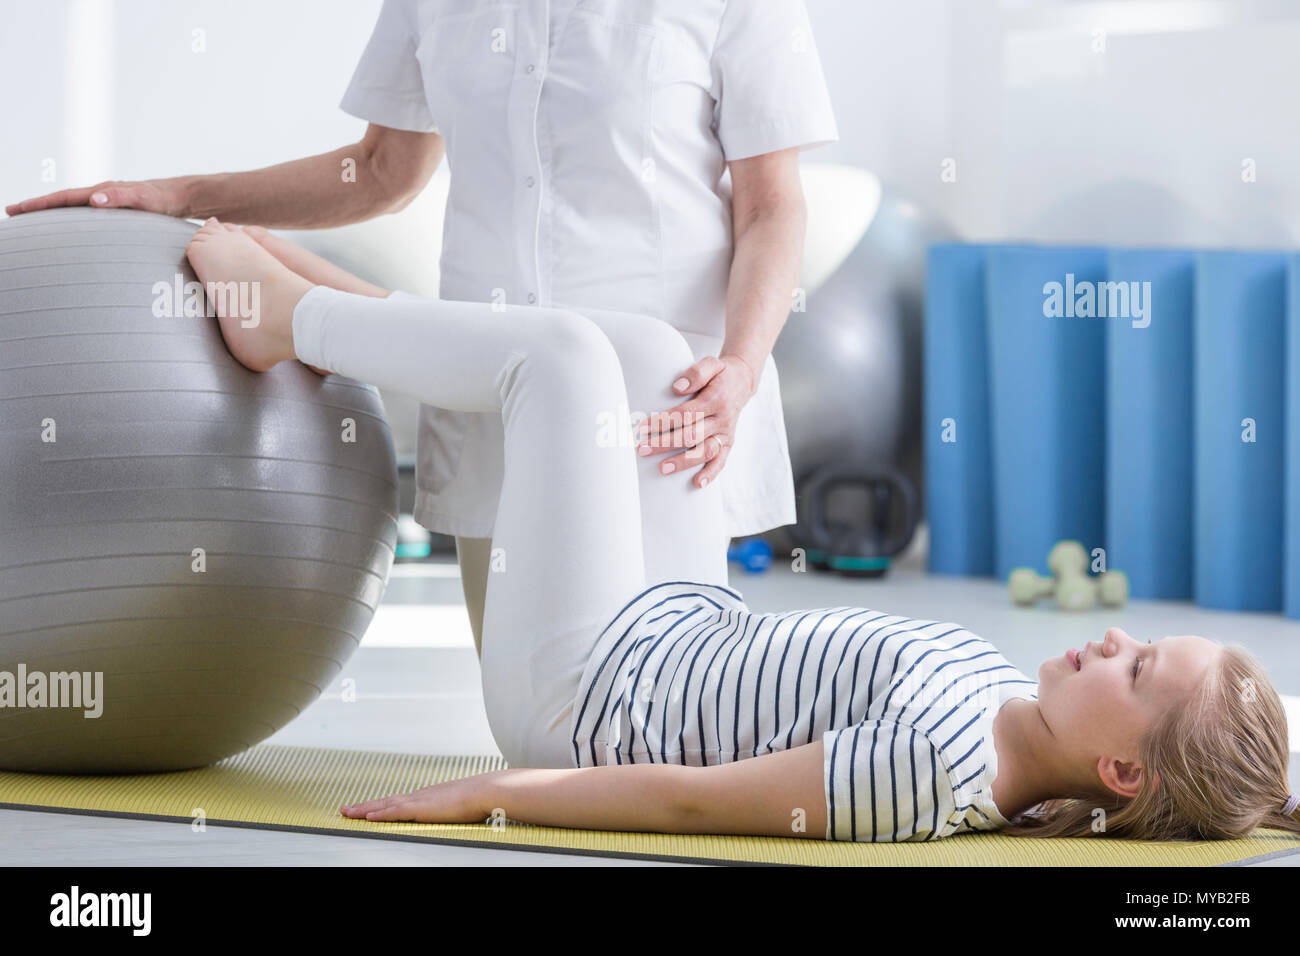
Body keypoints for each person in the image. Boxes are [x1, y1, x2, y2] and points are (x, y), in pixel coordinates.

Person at [184, 219, 1300, 843]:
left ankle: (286, 321)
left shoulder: (938, 768)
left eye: (1140, 664)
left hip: (588, 708)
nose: (1114, 640)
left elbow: (694, 800)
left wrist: (496, 791)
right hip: (671, 625)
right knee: (644, 349)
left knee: (564, 359)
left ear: (1117, 763)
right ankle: (335, 316)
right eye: (1137, 638)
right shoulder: (1009, 711)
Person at [6, 0, 839, 657]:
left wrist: (741, 361)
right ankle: (290, 306)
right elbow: (377, 171)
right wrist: (182, 196)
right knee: (528, 709)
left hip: (665, 396)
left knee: (640, 703)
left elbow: (771, 204)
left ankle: (292, 311)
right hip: (486, 382)